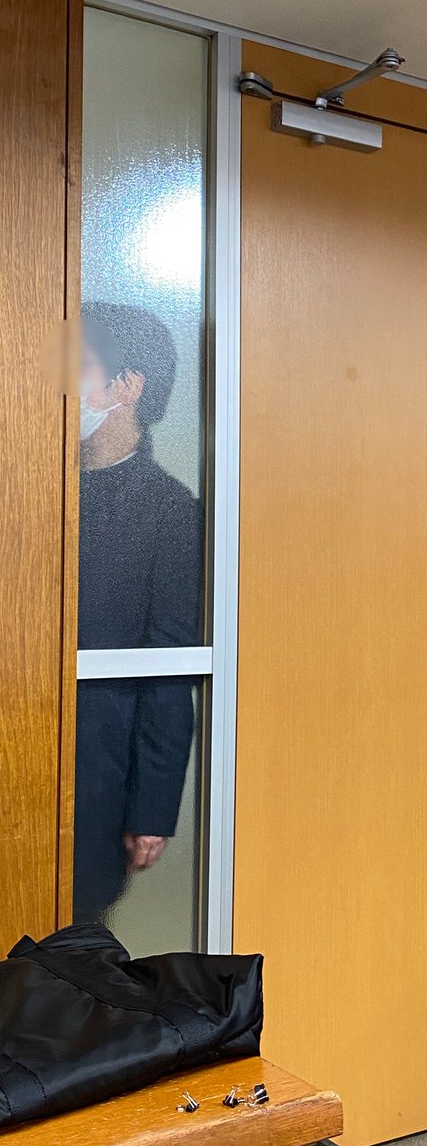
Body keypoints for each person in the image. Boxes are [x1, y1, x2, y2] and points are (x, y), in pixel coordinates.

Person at [74, 302, 202, 924]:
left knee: (64, 949)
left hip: (99, 777)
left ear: (127, 386)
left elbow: (171, 667)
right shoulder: (31, 486)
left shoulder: (170, 511)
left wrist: (151, 809)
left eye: (76, 367)